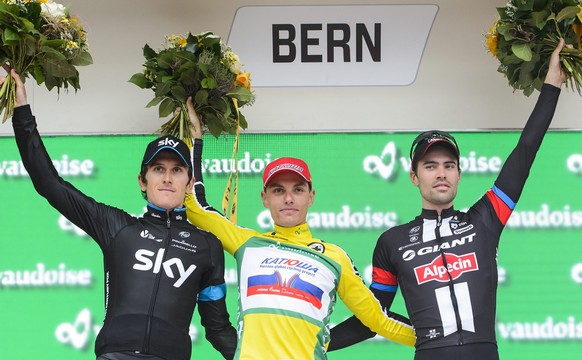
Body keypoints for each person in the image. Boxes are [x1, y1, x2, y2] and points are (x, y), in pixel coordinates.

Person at [327, 39, 568, 359]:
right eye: (430, 166)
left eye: (448, 165)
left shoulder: (485, 219)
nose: (441, 173)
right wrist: (312, 342)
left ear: (458, 174)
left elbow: (525, 151)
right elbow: (373, 318)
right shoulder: (392, 242)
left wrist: (551, 86)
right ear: (414, 177)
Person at [3, 68, 237, 360]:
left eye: (177, 170)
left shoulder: (207, 246)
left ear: (189, 183)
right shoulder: (117, 227)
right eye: (158, 169)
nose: (167, 178)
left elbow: (218, 329)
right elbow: (49, 184)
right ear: (142, 180)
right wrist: (22, 111)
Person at [183, 98, 416, 359]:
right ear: (265, 198)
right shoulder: (247, 243)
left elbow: (378, 320)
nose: (288, 198)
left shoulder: (334, 256)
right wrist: (196, 139)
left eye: (298, 190)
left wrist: (445, 339)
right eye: (278, 190)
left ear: (311, 196)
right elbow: (195, 207)